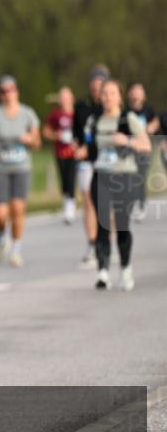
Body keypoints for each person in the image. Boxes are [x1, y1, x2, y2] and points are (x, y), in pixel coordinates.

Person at [83, 79, 151, 290]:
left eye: (112, 93)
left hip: (123, 177)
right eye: (104, 93)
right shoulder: (94, 121)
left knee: (122, 224)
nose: (107, 97)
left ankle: (125, 269)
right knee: (103, 223)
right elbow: (88, 145)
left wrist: (127, 141)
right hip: (101, 175)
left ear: (120, 97)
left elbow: (146, 145)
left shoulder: (128, 119)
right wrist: (82, 152)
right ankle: (103, 272)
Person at [0, 75, 41, 268]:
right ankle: (0, 235)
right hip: (1, 168)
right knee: (0, 214)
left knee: (17, 209)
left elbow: (37, 142)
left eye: (11, 90)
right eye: (4, 91)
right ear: (1, 95)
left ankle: (16, 248)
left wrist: (29, 140)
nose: (8, 94)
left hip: (21, 167)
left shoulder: (27, 114)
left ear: (17, 91)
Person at [72, 65, 109, 268]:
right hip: (87, 160)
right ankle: (93, 244)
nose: (96, 90)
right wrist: (77, 147)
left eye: (100, 86)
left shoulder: (112, 105)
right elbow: (76, 134)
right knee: (88, 200)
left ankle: (107, 242)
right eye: (93, 86)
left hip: (109, 158)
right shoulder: (81, 106)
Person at [43, 86, 78, 224]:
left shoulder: (77, 113)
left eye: (66, 97)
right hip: (60, 152)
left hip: (74, 153)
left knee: (71, 178)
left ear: (71, 98)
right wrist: (56, 135)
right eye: (61, 98)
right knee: (63, 179)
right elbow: (46, 131)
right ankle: (66, 202)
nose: (64, 100)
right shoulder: (55, 115)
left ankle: (71, 205)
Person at [126, 83, 160, 221]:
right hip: (129, 149)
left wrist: (151, 127)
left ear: (143, 95)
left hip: (144, 149)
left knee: (140, 177)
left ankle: (141, 204)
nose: (136, 94)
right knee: (129, 177)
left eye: (139, 91)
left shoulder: (148, 109)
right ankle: (131, 202)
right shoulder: (126, 111)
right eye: (134, 91)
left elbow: (156, 121)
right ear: (129, 94)